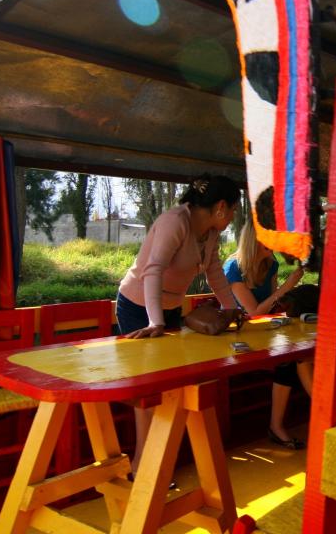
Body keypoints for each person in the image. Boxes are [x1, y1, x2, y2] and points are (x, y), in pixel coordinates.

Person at [116, 174, 241, 475]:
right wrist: (155, 321)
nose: (234, 216)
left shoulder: (210, 232)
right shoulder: (175, 222)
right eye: (234, 210)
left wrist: (231, 309)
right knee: (150, 388)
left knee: (171, 385)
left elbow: (213, 272)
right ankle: (142, 466)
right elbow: (153, 270)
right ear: (221, 207)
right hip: (139, 308)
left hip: (167, 309)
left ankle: (159, 460)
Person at [225, 221, 312, 448]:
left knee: (296, 355)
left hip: (263, 331)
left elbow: (272, 306)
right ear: (255, 241)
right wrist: (288, 287)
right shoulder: (233, 268)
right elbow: (253, 312)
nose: (273, 245)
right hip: (236, 335)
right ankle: (285, 423)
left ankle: (279, 425)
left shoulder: (270, 264)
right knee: (292, 359)